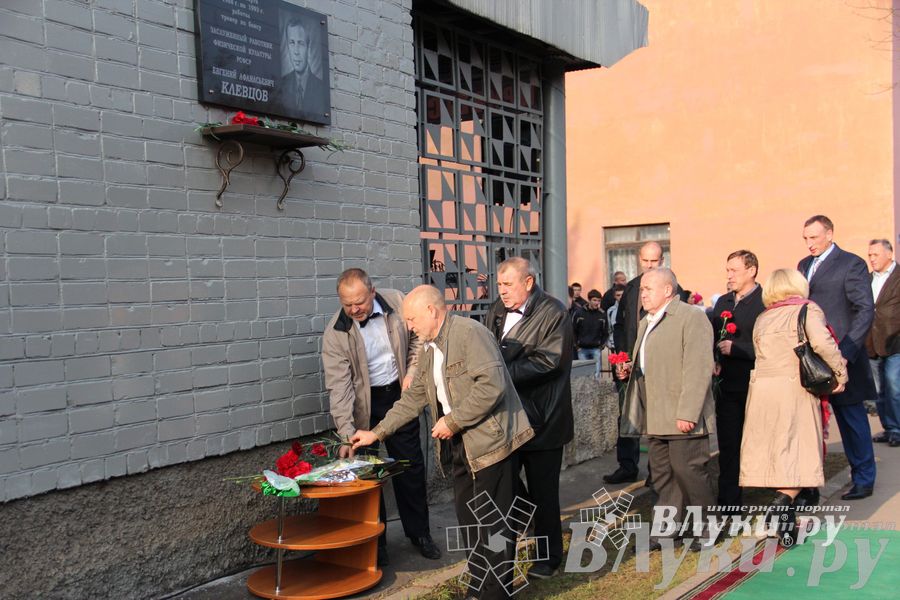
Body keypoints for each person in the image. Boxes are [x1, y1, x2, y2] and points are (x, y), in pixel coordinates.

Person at [351, 285, 534, 600]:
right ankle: (478, 585)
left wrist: (452, 421)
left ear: (431, 311)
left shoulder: (469, 334)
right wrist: (376, 433)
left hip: (492, 441)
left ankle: (497, 593)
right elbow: (414, 398)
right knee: (468, 520)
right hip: (460, 445)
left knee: (494, 523)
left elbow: (492, 386)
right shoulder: (428, 348)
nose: (409, 326)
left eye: (411, 319)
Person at [322, 269, 439, 563]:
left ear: (373, 292)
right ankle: (378, 543)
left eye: (359, 302)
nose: (354, 309)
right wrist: (347, 432)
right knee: (369, 476)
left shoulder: (398, 302)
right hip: (364, 406)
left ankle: (420, 533)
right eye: (347, 304)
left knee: (409, 468)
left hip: (398, 396)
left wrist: (412, 371)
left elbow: (418, 340)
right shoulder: (335, 333)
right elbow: (339, 387)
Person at [740, 269, 847, 544]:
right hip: (795, 390)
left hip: (763, 393)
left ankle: (784, 524)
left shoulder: (763, 317)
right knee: (799, 452)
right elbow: (824, 344)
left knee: (779, 453)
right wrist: (840, 374)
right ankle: (779, 506)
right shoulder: (806, 310)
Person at [485, 257, 574, 579]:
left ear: (528, 282)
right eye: (499, 284)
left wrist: (498, 375)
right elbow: (487, 348)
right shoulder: (497, 309)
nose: (502, 291)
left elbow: (549, 362)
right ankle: (518, 541)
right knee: (507, 486)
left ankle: (548, 557)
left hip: (543, 419)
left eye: (508, 284)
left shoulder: (554, 312)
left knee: (543, 492)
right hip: (507, 417)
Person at [617, 269, 717, 551]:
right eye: (642, 289)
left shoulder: (690, 316)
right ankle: (668, 529)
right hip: (655, 413)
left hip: (682, 414)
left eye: (649, 288)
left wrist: (688, 411)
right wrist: (630, 369)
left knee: (690, 472)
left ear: (668, 290)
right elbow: (650, 362)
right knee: (662, 475)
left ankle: (708, 528)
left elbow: (698, 368)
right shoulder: (646, 321)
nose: (643, 293)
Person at [798, 215, 877, 500]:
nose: (809, 244)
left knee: (851, 419)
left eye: (814, 238)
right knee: (812, 423)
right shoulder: (803, 266)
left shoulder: (851, 264)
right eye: (805, 238)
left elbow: (865, 310)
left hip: (844, 357)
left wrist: (845, 352)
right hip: (812, 359)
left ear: (829, 234)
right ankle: (808, 486)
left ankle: (864, 478)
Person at [609, 241, 682, 484]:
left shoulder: (673, 288)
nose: (650, 265)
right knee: (626, 416)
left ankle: (656, 472)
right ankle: (627, 466)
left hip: (658, 367)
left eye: (655, 261)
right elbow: (620, 326)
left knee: (656, 419)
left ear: (662, 260)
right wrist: (621, 356)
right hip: (630, 366)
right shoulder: (630, 288)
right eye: (646, 260)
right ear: (639, 259)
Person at [709, 250, 765, 513]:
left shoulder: (765, 303)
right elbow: (712, 338)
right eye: (727, 270)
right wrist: (715, 357)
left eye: (734, 270)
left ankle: (784, 493)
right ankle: (729, 502)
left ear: (751, 270)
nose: (729, 275)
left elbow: (772, 347)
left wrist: (739, 349)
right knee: (729, 444)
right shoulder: (722, 303)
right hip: (727, 387)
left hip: (757, 386)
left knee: (762, 444)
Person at [866, 239, 900, 446]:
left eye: (875, 254)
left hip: (896, 341)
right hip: (871, 343)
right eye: (870, 255)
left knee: (894, 385)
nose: (871, 259)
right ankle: (888, 428)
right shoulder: (867, 279)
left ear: (889, 254)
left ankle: (897, 428)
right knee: (878, 390)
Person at [272, 16, 327, 117]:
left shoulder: (320, 88)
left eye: (301, 43)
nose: (296, 51)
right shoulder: (281, 85)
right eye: (292, 43)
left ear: (308, 47)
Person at [573, 289, 608, 379]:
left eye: (599, 301)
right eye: (594, 300)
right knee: (583, 375)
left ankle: (595, 392)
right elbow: (573, 330)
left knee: (596, 374)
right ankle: (584, 393)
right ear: (589, 300)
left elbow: (606, 332)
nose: (597, 303)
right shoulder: (579, 313)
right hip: (582, 348)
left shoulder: (602, 314)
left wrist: (601, 346)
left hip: (596, 348)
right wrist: (577, 346)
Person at [606, 284, 626, 352]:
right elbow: (609, 328)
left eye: (622, 295)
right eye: (618, 295)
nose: (620, 297)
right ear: (614, 296)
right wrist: (609, 343)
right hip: (614, 344)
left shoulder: (630, 309)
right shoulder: (611, 311)